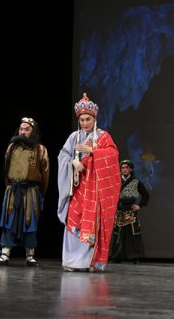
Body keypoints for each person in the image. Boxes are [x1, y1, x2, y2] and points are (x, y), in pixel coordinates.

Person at [57, 93, 121, 272]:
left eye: (88, 119)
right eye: (82, 120)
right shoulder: (74, 137)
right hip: (77, 187)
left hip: (95, 189)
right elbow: (63, 155)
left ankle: (89, 262)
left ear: (94, 119)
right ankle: (71, 261)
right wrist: (72, 162)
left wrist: (93, 151)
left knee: (92, 223)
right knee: (74, 219)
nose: (85, 123)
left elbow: (113, 155)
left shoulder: (103, 137)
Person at [0, 117, 50, 266]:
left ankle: (30, 255)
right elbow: (6, 170)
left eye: (27, 129)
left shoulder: (40, 149)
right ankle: (5, 253)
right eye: (21, 129)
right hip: (13, 189)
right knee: (8, 220)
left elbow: (45, 174)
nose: (23, 132)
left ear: (33, 131)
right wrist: (9, 187)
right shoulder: (11, 148)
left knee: (30, 222)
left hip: (31, 191)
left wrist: (41, 194)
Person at [109, 159, 150, 263]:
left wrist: (140, 205)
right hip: (119, 209)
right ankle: (117, 256)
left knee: (133, 234)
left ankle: (134, 257)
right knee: (119, 234)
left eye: (126, 167)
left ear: (130, 169)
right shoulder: (117, 181)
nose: (124, 169)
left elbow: (146, 195)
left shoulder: (136, 182)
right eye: (122, 168)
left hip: (131, 210)